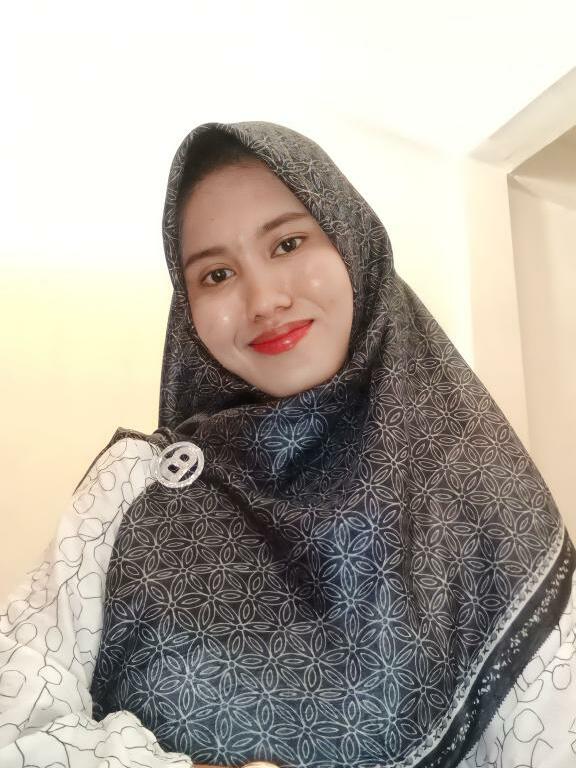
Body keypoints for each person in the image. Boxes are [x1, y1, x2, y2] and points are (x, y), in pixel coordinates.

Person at [0, 121, 574, 768]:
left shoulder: (480, 501)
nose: (264, 300)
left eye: (288, 243)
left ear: (352, 244)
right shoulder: (133, 490)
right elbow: (13, 724)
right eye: (216, 274)